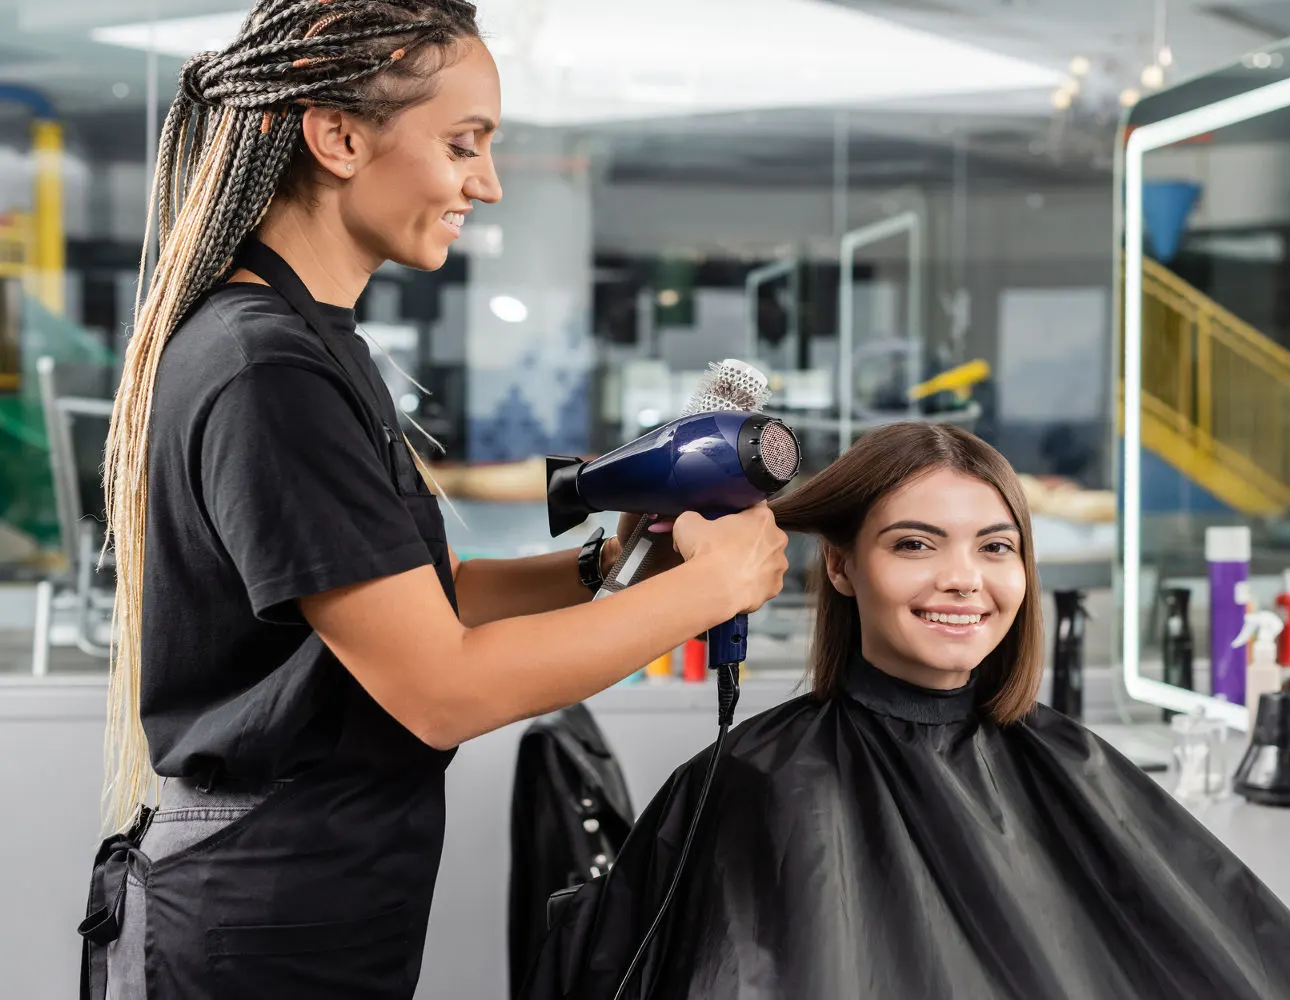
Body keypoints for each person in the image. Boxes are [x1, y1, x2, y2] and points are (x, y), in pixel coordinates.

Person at [77, 4, 787, 998]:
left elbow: (420, 600)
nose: (486, 184)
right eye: (463, 145)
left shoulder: (316, 345)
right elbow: (440, 688)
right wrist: (707, 591)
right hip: (260, 919)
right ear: (337, 136)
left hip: (311, 901)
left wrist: (601, 567)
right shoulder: (265, 368)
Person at [524, 422, 1290, 1000]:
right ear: (843, 568)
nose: (964, 579)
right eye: (914, 544)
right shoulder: (764, 784)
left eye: (996, 547)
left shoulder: (1070, 765)